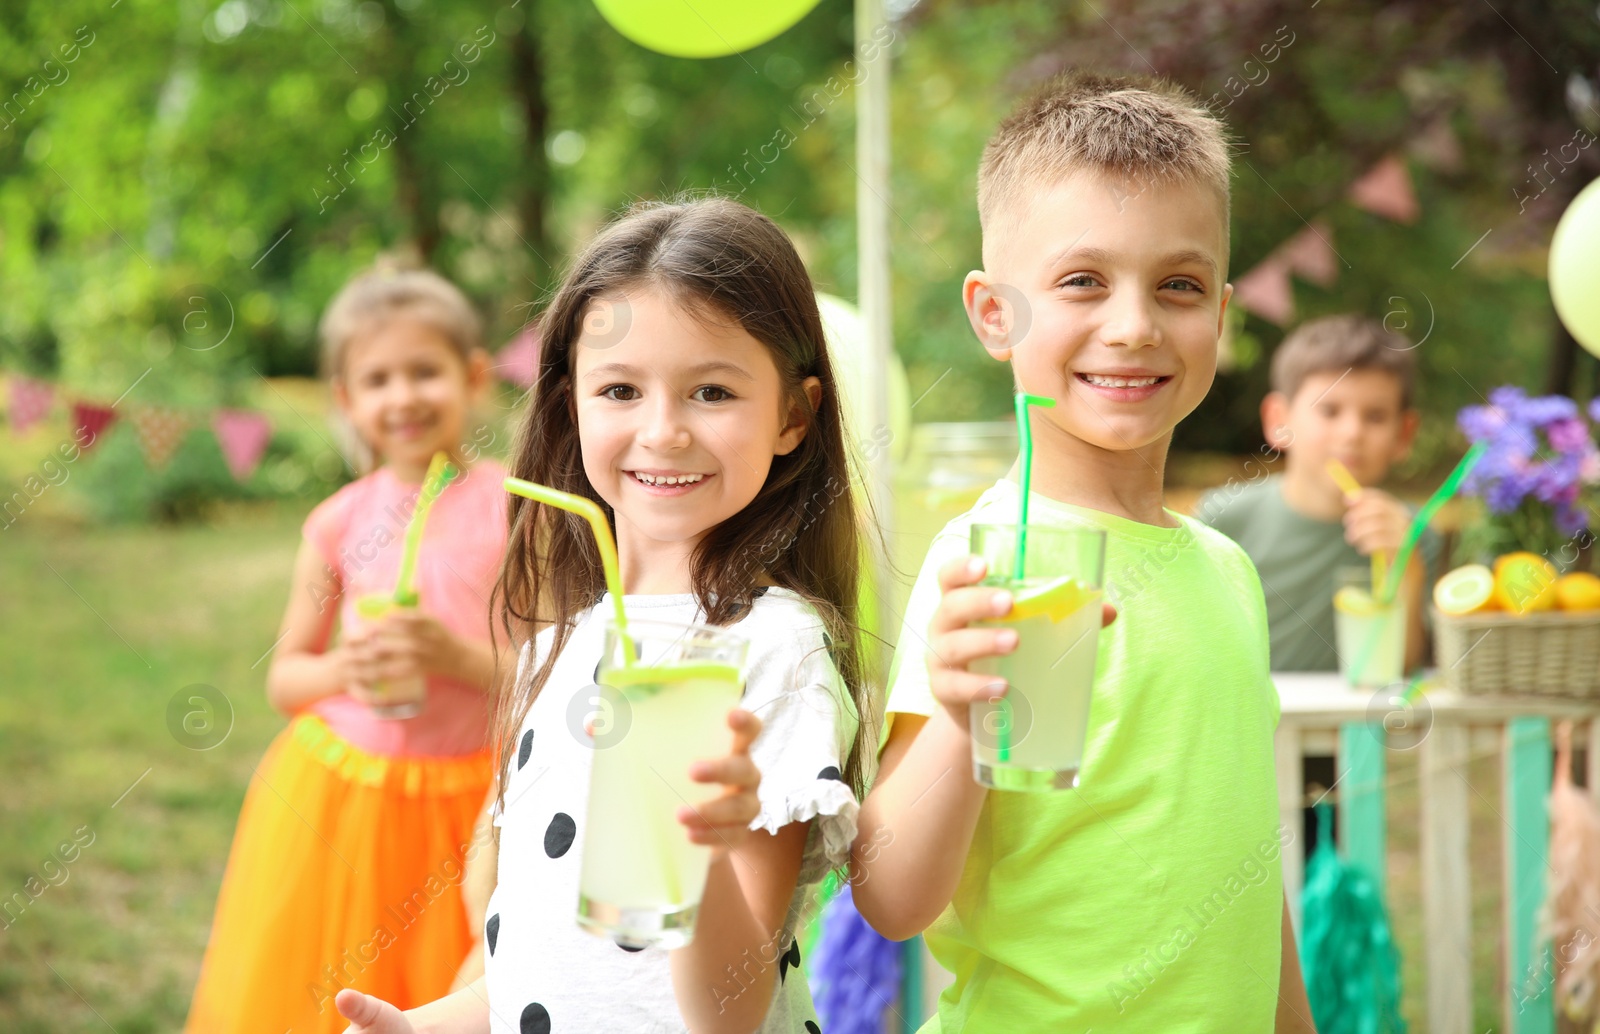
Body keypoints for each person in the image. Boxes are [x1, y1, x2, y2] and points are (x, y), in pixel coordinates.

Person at [333, 197, 870, 1034]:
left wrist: (708, 847)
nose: (662, 432)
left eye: (712, 392)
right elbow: (541, 974)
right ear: (572, 404)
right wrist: (424, 1026)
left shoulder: (777, 646)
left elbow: (730, 1009)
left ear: (792, 417)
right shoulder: (558, 646)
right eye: (620, 389)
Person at [850, 73, 1316, 1031]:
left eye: (1178, 286)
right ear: (994, 315)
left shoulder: (1228, 572)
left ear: (1221, 315)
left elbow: (1241, 861)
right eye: (1082, 282)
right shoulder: (985, 564)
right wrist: (954, 711)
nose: (1135, 324)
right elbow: (893, 898)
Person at [184, 266, 508, 1034]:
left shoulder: (518, 508)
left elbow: (554, 674)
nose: (403, 398)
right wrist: (344, 670)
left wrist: (456, 658)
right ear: (345, 399)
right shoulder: (337, 521)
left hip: (476, 806)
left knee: (457, 991)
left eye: (425, 372)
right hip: (347, 801)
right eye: (377, 380)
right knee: (342, 989)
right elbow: (287, 678)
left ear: (473, 376)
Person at [1195, 313, 1438, 675]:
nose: (1352, 432)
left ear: (1404, 435)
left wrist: (1404, 568)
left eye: (1375, 416)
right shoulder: (1224, 518)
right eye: (1329, 410)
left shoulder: (1413, 534)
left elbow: (1401, 667)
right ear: (1279, 419)